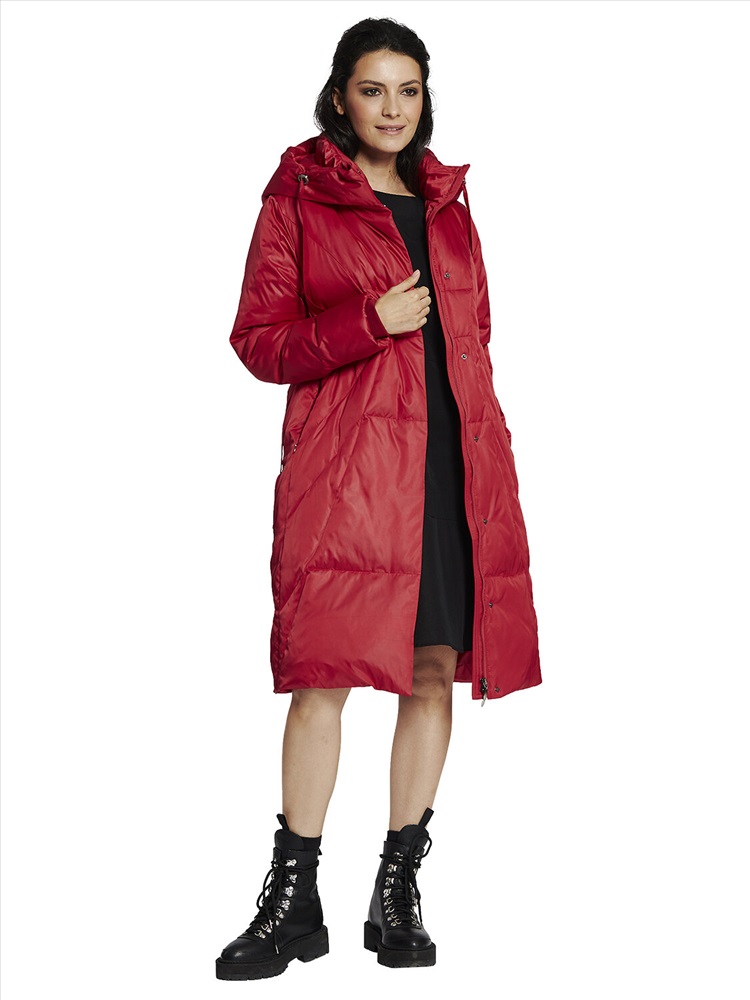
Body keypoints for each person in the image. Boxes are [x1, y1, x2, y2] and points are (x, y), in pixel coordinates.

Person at [215, 16, 542, 981]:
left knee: (432, 671)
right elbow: (259, 341)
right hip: (350, 474)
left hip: (450, 464)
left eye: (408, 90)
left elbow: (474, 340)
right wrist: (370, 319)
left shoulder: (448, 204)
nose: (392, 109)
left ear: (424, 98)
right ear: (340, 97)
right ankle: (292, 899)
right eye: (373, 90)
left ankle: (397, 887)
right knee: (323, 677)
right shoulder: (300, 195)